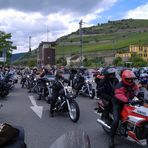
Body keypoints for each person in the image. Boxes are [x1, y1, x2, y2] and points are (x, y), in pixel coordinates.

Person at [109, 69, 139, 148]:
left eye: (131, 79)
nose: (130, 81)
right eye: (128, 79)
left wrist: (140, 94)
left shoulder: (132, 84)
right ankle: (111, 138)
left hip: (129, 102)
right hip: (118, 103)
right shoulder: (119, 86)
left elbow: (136, 90)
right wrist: (128, 100)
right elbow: (119, 95)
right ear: (124, 78)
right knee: (116, 120)